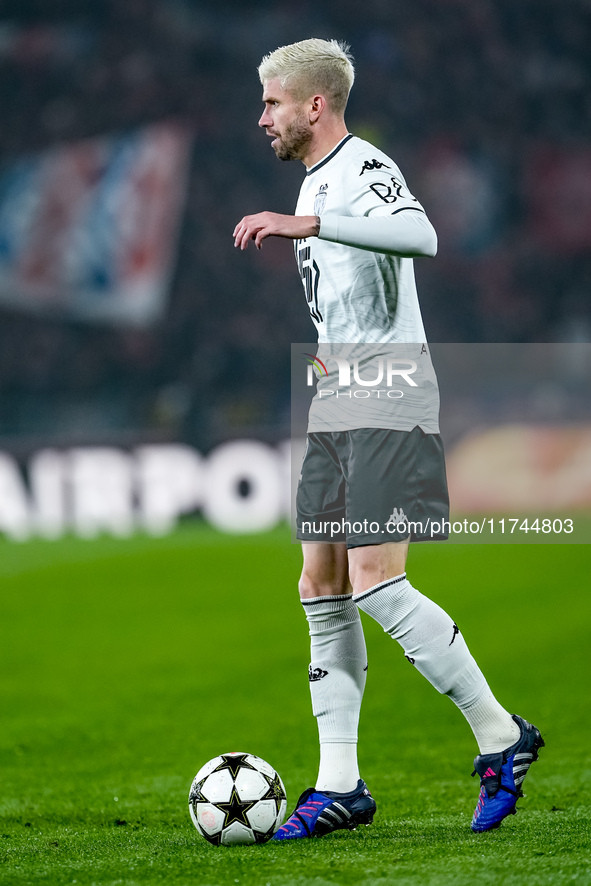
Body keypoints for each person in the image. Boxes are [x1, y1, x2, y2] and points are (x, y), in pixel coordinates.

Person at [233, 38, 543, 840]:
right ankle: (341, 784)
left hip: (390, 384)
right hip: (338, 391)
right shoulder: (314, 178)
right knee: (320, 585)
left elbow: (422, 236)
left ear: (314, 104)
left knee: (374, 581)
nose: (259, 116)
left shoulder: (363, 168)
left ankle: (500, 737)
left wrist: (307, 221)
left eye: (270, 102)